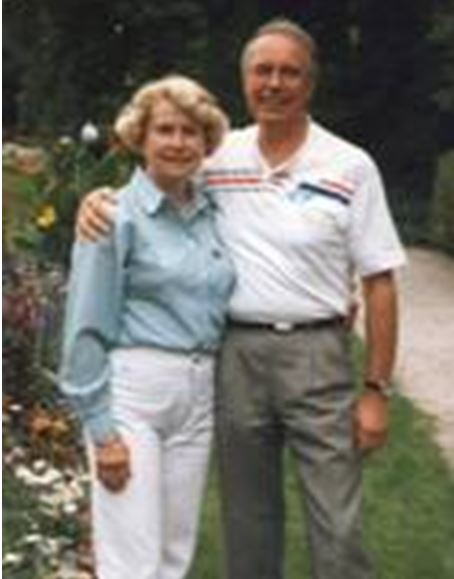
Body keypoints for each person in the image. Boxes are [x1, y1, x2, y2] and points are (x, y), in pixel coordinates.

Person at [75, 18, 406, 579]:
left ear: (310, 82)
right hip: (234, 357)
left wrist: (375, 390)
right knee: (248, 519)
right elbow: (156, 183)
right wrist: (99, 199)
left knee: (336, 520)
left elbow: (380, 282)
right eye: (262, 71)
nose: (274, 83)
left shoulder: (350, 166)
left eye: (289, 73)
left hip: (318, 355)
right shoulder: (216, 157)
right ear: (245, 78)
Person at [59, 75, 235, 579]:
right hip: (134, 395)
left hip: (198, 394)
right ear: (141, 137)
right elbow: (85, 327)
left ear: (206, 142)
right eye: (165, 130)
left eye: (190, 131)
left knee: (174, 554)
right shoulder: (112, 215)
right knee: (131, 559)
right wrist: (102, 431)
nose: (178, 143)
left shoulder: (211, 212)